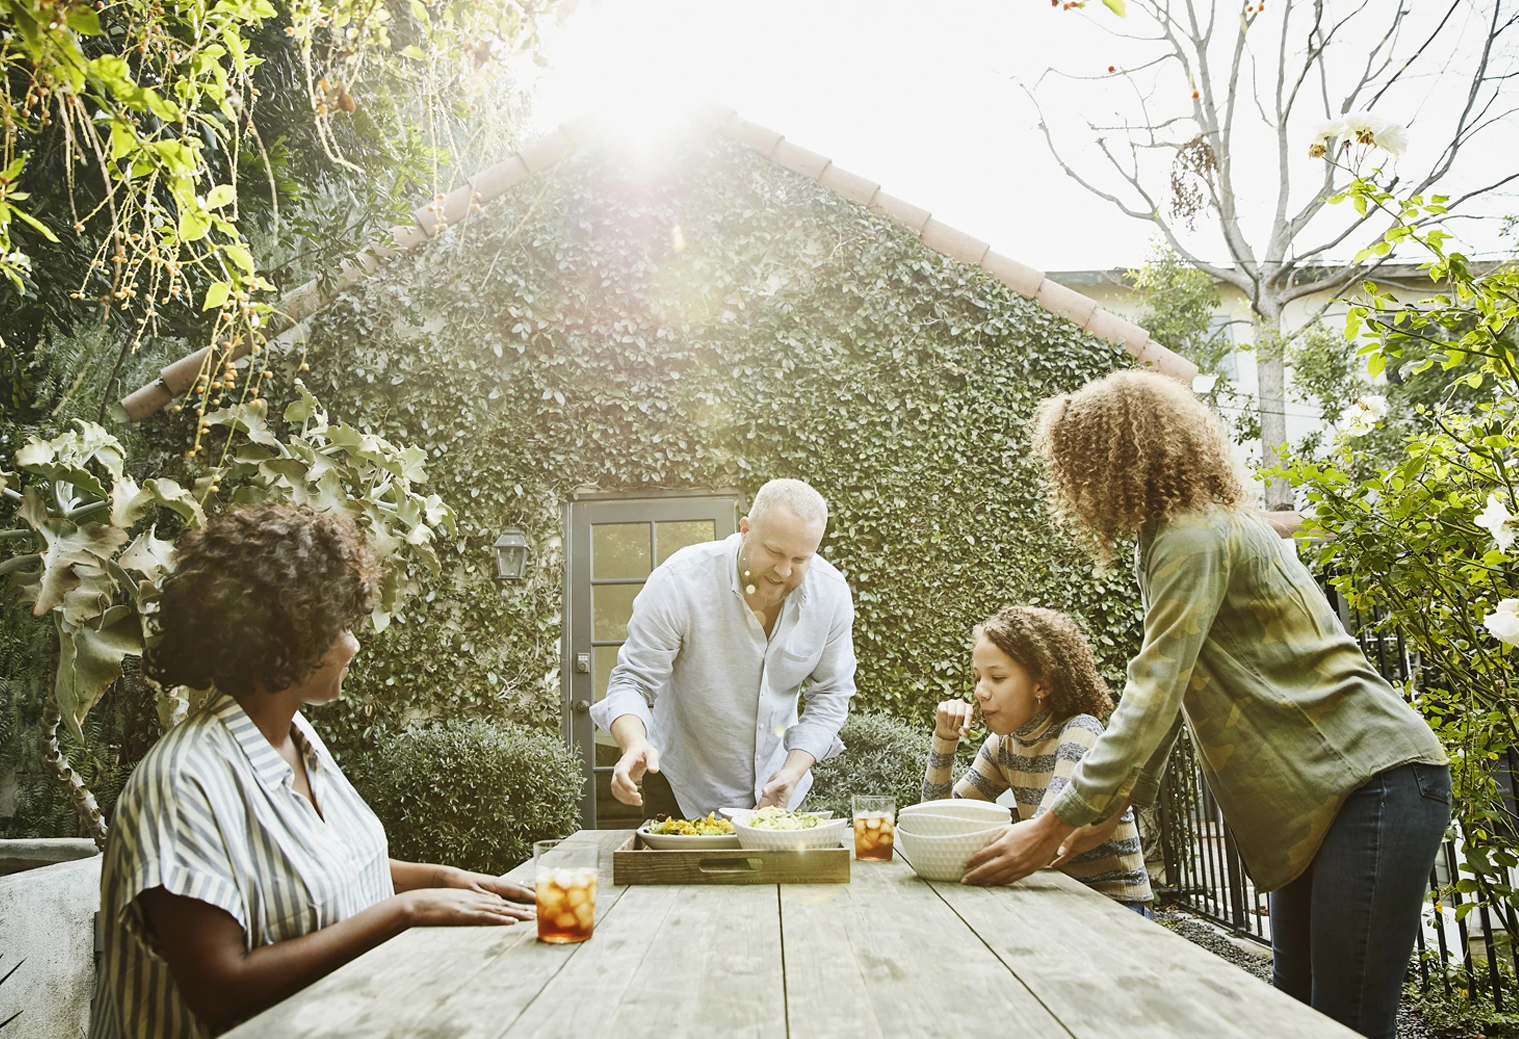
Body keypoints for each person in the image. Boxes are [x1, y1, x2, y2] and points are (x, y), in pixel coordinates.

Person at [962, 370, 1449, 1039]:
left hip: (1375, 780)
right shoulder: (1177, 533)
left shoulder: (1189, 535)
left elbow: (1151, 690)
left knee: (1342, 1022)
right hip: (1338, 794)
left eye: (1081, 466)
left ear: (1119, 456)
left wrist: (1051, 824)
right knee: (1295, 1017)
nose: (1075, 487)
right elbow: (1169, 695)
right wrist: (1109, 811)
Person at [92, 504, 536, 1039]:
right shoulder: (184, 783)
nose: (352, 643)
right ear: (285, 635)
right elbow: (219, 990)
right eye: (339, 625)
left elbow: (321, 870)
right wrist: (406, 912)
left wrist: (437, 878)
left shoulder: (296, 739)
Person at [591, 478, 856, 817]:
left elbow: (832, 695)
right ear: (745, 529)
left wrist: (793, 770)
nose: (784, 570)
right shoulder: (680, 581)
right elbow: (632, 681)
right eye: (774, 552)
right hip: (681, 787)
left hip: (779, 788)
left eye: (800, 558)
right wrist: (633, 744)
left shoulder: (830, 595)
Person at [923, 606, 1153, 916]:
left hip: (1113, 906)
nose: (980, 691)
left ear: (1042, 685)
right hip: (1049, 900)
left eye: (997, 677)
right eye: (977, 678)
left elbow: (1043, 839)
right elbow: (937, 823)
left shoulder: (1079, 732)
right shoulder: (1002, 746)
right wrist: (944, 741)